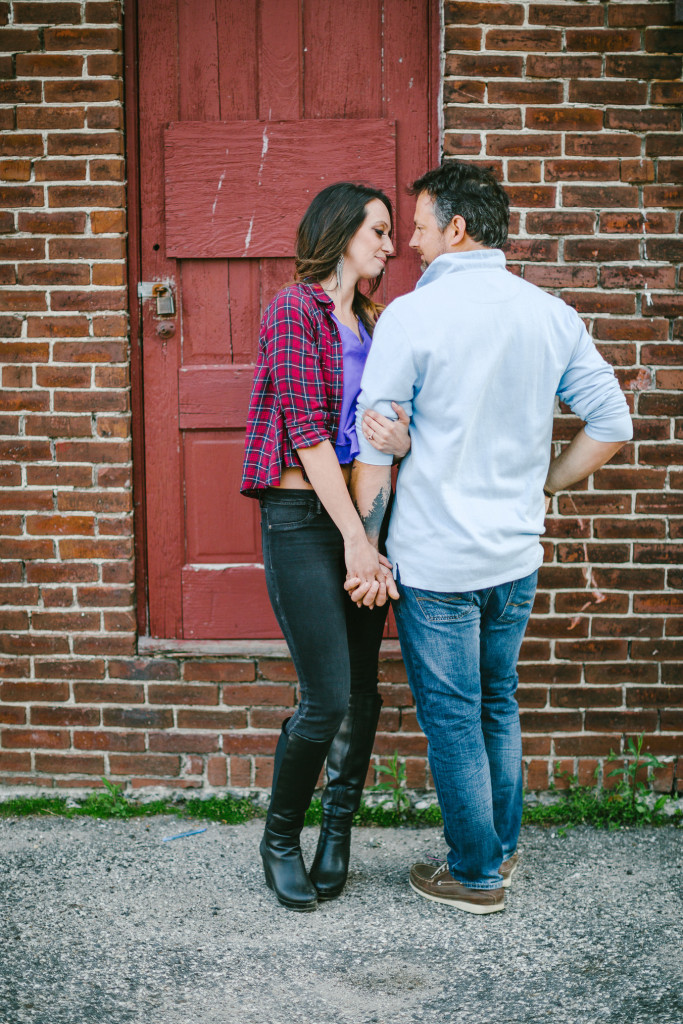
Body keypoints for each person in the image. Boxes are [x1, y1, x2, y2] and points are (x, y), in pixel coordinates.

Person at [348, 161, 633, 915]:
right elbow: (611, 425)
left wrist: (366, 546)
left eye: (416, 227)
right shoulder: (548, 313)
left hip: (437, 562)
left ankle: (473, 876)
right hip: (514, 556)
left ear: (456, 228)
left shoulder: (411, 315)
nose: (409, 243)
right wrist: (544, 486)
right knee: (496, 703)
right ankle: (497, 852)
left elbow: (376, 446)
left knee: (451, 718)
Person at [241, 182, 410, 911]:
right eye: (377, 230)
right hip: (304, 519)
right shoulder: (291, 310)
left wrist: (399, 447)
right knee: (326, 697)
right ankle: (279, 838)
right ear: (341, 232)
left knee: (363, 694)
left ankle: (336, 831)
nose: (389, 245)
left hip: (362, 524)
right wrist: (353, 543)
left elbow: (388, 425)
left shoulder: (373, 322)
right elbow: (308, 433)